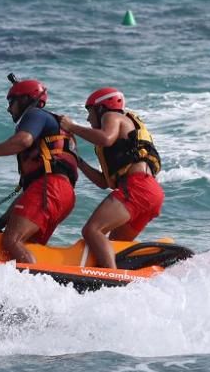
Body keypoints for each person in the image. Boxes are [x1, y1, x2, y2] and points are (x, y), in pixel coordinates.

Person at [0, 76, 78, 264]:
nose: (9, 108)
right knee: (22, 247)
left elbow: (23, 140)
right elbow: (30, 195)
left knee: (12, 241)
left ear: (26, 100)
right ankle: (36, 285)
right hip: (62, 195)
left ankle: (31, 287)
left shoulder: (35, 115)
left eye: (11, 102)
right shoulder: (53, 128)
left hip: (50, 189)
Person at [58, 87, 163, 269]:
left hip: (138, 187)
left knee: (92, 230)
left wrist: (71, 126)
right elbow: (103, 182)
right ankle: (121, 278)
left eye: (90, 112)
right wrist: (78, 160)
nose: (88, 119)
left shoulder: (112, 116)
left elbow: (105, 138)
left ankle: (110, 282)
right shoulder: (122, 129)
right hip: (151, 193)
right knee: (114, 245)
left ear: (101, 108)